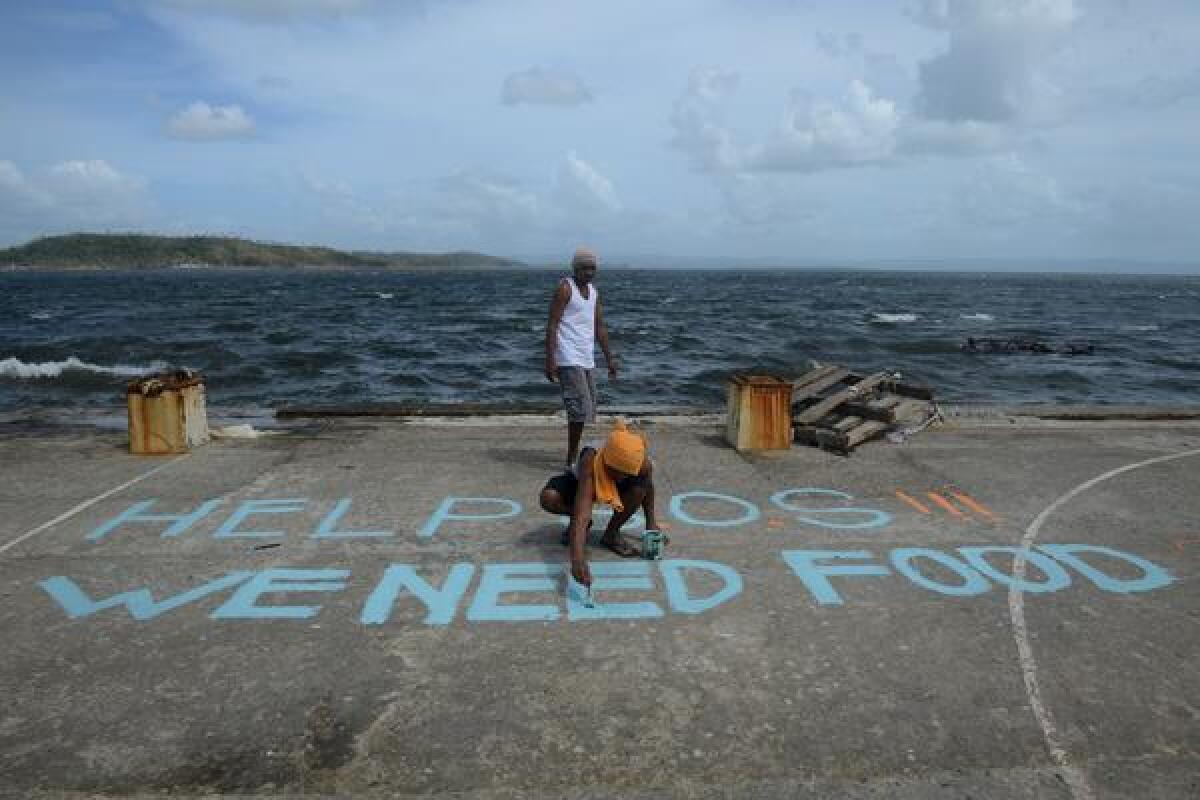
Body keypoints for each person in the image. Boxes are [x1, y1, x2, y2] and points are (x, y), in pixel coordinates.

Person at [539, 421, 661, 588]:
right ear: (606, 462)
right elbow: (583, 511)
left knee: (639, 489)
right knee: (549, 498)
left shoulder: (641, 463)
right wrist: (577, 560)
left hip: (621, 484)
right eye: (616, 472)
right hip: (580, 482)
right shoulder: (590, 459)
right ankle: (578, 529)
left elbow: (648, 487)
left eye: (626, 474)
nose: (620, 477)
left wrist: (651, 523)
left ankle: (611, 534)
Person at [544, 246, 618, 469]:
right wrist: (550, 359)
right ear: (575, 268)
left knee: (587, 409)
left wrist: (609, 358)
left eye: (592, 268)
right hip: (568, 355)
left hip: (586, 357)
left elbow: (599, 326)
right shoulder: (565, 289)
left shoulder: (594, 292)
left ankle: (574, 454)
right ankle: (571, 459)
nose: (589, 272)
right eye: (584, 268)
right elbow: (552, 324)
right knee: (578, 409)